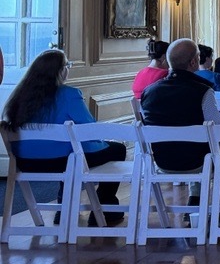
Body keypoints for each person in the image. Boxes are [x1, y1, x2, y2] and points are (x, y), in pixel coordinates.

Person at [2, 50, 127, 225]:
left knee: (71, 152)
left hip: (25, 161)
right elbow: (90, 129)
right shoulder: (69, 94)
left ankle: (64, 209)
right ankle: (106, 209)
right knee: (117, 149)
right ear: (60, 71)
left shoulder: (20, 95)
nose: (69, 69)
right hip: (63, 160)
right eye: (67, 65)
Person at [140, 39, 220, 217]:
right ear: (194, 62)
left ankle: (196, 198)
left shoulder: (149, 91)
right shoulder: (203, 91)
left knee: (200, 145)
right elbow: (219, 131)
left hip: (163, 161)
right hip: (198, 161)